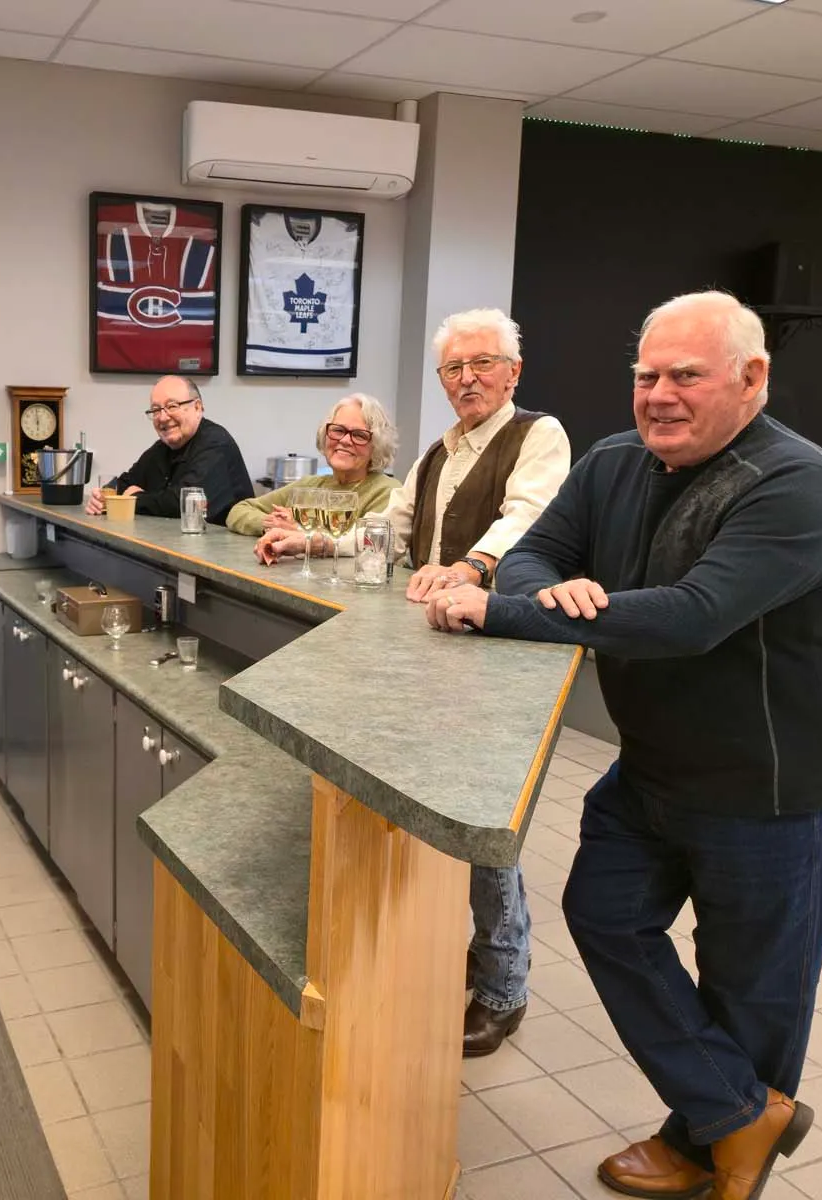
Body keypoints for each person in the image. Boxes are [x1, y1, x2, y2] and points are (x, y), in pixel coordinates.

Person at [427, 292, 822, 1200]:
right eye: (645, 376)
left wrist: (505, 612)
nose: (658, 395)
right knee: (602, 912)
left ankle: (712, 1147)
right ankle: (736, 1113)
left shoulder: (798, 484)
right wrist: (549, 592)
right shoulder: (613, 461)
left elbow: (693, 616)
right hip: (657, 762)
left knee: (754, 984)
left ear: (752, 379)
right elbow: (531, 551)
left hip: (773, 780)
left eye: (685, 375)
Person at [257, 310, 569, 1061]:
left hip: (495, 648)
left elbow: (529, 521)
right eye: (453, 369)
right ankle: (463, 950)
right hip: (437, 651)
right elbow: (389, 533)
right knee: (437, 809)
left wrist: (467, 569)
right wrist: (316, 541)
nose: (466, 378)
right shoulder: (437, 454)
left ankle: (504, 984)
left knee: (482, 820)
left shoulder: (539, 436)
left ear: (513, 370)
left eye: (481, 363)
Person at [229, 392, 397, 547]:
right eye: (338, 430)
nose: (345, 440)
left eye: (359, 435)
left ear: (376, 446)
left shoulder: (386, 492)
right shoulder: (309, 485)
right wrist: (272, 524)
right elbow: (238, 511)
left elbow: (370, 544)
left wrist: (300, 531)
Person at [83, 375, 254, 523]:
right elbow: (125, 483)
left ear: (197, 407)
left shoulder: (216, 444)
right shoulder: (163, 447)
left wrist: (134, 499)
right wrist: (103, 496)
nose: (163, 417)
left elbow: (181, 504)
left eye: (172, 406)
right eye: (156, 410)